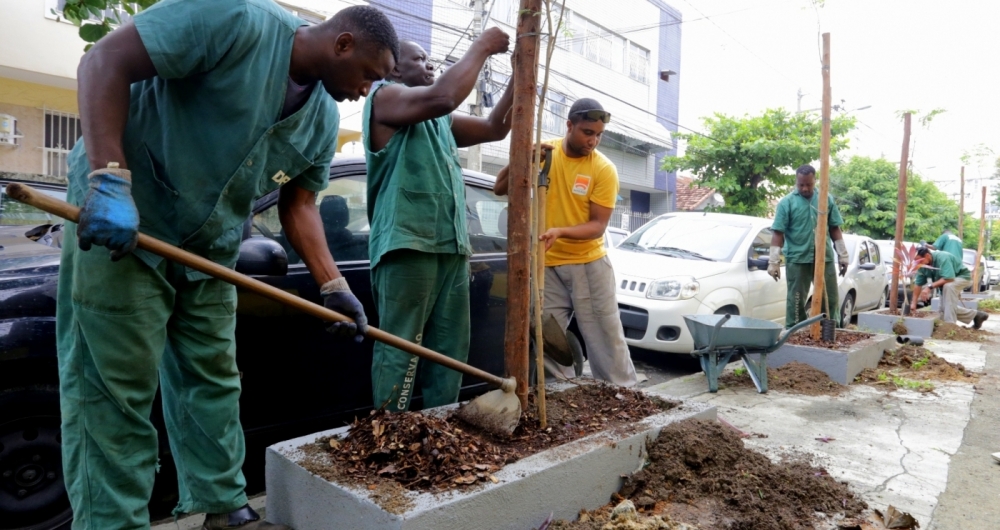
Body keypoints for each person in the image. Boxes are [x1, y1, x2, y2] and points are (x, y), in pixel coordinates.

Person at [58, 1, 398, 528]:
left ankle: (224, 508)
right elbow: (104, 60)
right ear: (343, 43)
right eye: (368, 76)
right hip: (124, 221)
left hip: (208, 249)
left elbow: (299, 205)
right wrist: (108, 177)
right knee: (113, 387)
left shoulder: (322, 119)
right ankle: (112, 523)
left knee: (215, 380)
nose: (365, 91)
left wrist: (333, 286)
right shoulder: (234, 18)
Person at [363, 34, 514, 411]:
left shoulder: (440, 121)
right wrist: (482, 46)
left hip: (451, 247)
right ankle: (389, 432)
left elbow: (496, 127)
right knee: (402, 346)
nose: (430, 65)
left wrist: (518, 76)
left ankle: (439, 426)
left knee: (449, 349)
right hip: (408, 244)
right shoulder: (385, 97)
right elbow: (444, 95)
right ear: (394, 67)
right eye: (420, 58)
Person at [494, 99, 639, 387]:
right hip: (546, 264)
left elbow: (598, 227)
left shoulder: (603, 169)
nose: (593, 141)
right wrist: (522, 161)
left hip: (587, 264)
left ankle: (622, 395)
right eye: (587, 132)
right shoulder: (544, 154)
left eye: (599, 135)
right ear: (569, 125)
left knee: (605, 338)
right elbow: (499, 188)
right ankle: (560, 396)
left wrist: (559, 231)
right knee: (549, 338)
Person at [769, 164, 850, 327]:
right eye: (801, 185)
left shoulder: (825, 199)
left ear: (815, 181)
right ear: (796, 182)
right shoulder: (787, 203)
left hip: (824, 257)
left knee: (830, 299)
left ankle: (830, 331)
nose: (805, 188)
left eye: (809, 184)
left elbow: (834, 227)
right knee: (796, 300)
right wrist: (773, 261)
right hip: (798, 259)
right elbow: (778, 233)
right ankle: (795, 333)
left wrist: (843, 255)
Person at [911, 247, 988, 327]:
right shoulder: (922, 266)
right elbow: (918, 284)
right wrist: (913, 303)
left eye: (919, 260)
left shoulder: (942, 257)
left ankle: (950, 326)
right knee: (944, 310)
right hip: (946, 284)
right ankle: (977, 315)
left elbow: (949, 278)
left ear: (927, 255)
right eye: (915, 261)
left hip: (962, 277)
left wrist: (929, 287)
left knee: (949, 286)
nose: (917, 262)